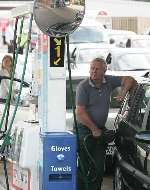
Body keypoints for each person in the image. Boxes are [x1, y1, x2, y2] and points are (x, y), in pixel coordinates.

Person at [75, 57, 137, 190]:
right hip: (84, 131)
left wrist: (122, 92)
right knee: (84, 169)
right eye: (92, 68)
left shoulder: (108, 81)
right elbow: (80, 112)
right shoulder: (83, 86)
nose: (94, 71)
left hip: (100, 131)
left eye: (97, 69)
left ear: (104, 71)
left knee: (98, 168)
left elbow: (130, 80)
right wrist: (93, 129)